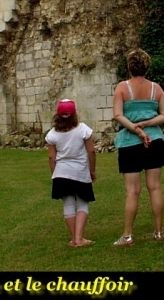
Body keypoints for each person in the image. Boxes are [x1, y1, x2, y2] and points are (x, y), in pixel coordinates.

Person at [111, 49, 164, 246]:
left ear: (129, 66)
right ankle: (159, 232)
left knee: (132, 191)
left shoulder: (122, 87)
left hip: (129, 142)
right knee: (155, 187)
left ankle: (128, 235)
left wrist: (136, 129)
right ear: (147, 66)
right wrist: (147, 125)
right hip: (154, 141)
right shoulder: (156, 88)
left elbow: (118, 115)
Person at [45, 99, 97, 247]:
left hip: (61, 173)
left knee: (68, 204)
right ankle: (79, 238)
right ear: (74, 113)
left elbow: (51, 157)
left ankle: (74, 238)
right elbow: (91, 151)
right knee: (82, 204)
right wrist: (92, 170)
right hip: (80, 172)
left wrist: (55, 173)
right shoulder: (83, 130)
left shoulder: (52, 134)